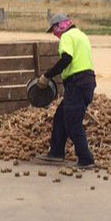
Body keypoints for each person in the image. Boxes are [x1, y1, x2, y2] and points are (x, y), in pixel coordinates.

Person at [36, 13, 95, 169]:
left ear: (60, 26)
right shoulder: (81, 35)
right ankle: (56, 152)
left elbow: (66, 59)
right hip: (86, 82)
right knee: (61, 116)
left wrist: (47, 76)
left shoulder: (67, 37)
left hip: (77, 83)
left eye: (54, 30)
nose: (55, 34)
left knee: (72, 122)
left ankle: (86, 159)